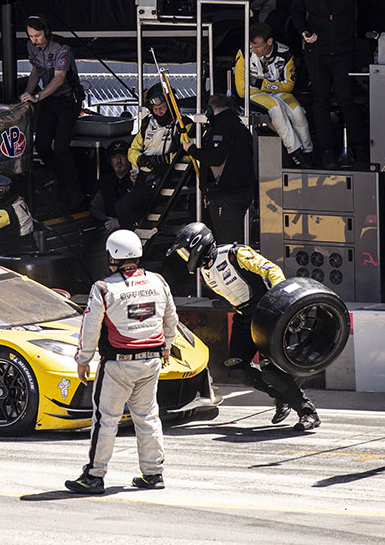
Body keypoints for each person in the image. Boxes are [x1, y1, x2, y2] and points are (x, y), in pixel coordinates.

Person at [167, 222, 320, 431]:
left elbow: (271, 270)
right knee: (236, 369)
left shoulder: (234, 253)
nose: (186, 257)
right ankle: (283, 396)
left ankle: (307, 412)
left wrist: (282, 301)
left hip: (266, 312)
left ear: (198, 244)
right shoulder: (204, 272)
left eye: (186, 252)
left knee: (271, 372)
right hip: (243, 316)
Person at [64, 229, 177, 494]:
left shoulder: (103, 288)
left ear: (112, 256)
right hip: (151, 362)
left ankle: (94, 475)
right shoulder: (158, 281)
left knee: (106, 419)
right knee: (148, 417)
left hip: (117, 365)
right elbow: (171, 318)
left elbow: (90, 327)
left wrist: (83, 359)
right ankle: (153, 473)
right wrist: (167, 347)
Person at [290, 0, 368, 168]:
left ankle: (359, 147)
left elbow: (366, 6)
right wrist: (304, 32)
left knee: (346, 99)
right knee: (320, 101)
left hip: (344, 51)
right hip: (316, 52)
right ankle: (325, 152)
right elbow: (295, 11)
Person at [19, 15, 83, 211]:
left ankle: (74, 190)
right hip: (48, 99)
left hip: (67, 100)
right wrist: (28, 93)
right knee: (42, 145)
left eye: (37, 36)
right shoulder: (31, 47)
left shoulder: (62, 48)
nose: (34, 40)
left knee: (61, 148)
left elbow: (59, 79)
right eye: (31, 36)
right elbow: (36, 71)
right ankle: (58, 180)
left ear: (46, 32)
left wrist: (37, 97)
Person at [235, 22, 313, 168]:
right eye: (252, 46)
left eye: (257, 46)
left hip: (275, 92)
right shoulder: (244, 53)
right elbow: (241, 89)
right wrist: (271, 87)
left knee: (297, 112)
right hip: (253, 94)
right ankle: (295, 152)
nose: (254, 49)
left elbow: (289, 86)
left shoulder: (285, 52)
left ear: (269, 42)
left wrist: (260, 83)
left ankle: (308, 152)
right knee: (276, 107)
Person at [184, 95, 255, 244]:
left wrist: (191, 149)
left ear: (210, 111)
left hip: (227, 196)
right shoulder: (238, 125)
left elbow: (215, 159)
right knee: (233, 241)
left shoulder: (223, 128)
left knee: (226, 243)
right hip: (237, 194)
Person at [120, 84, 188, 229]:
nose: (159, 112)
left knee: (123, 207)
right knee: (119, 205)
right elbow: (132, 150)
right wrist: (140, 160)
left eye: (162, 108)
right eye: (155, 109)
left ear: (170, 104)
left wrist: (162, 160)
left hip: (167, 179)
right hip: (143, 179)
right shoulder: (146, 124)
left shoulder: (183, 124)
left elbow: (188, 154)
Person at [89, 139, 137, 232]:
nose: (119, 161)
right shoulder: (104, 181)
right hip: (110, 230)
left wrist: (120, 222)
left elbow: (142, 208)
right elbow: (94, 208)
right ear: (110, 160)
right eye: (115, 157)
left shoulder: (136, 179)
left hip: (133, 230)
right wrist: (107, 220)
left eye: (122, 156)